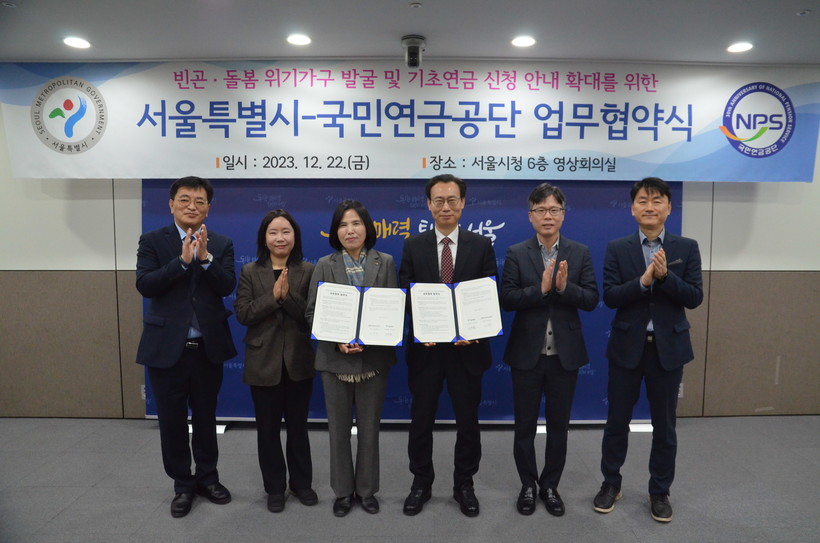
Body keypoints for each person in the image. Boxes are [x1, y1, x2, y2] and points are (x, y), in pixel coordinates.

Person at [593, 177, 703, 523]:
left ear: (669, 207)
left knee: (665, 427)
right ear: (632, 208)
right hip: (627, 348)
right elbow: (611, 296)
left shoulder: (686, 247)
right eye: (643, 201)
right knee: (616, 422)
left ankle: (660, 491)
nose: (650, 207)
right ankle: (611, 483)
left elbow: (694, 297)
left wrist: (666, 277)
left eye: (657, 201)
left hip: (668, 350)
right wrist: (643, 281)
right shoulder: (618, 247)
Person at [136, 176, 236, 518]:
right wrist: (180, 262)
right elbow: (145, 285)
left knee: (206, 418)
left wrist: (205, 259)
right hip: (166, 349)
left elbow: (226, 285)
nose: (192, 206)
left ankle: (208, 478)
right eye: (184, 199)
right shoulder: (152, 241)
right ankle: (182, 484)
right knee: (172, 421)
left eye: (199, 201)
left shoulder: (221, 243)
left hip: (207, 348)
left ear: (208, 207)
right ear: (171, 205)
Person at [399, 174, 498, 518]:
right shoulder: (414, 245)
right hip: (426, 350)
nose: (446, 207)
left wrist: (477, 329)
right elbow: (405, 293)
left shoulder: (481, 245)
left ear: (463, 203)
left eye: (452, 200)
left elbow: (488, 294)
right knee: (421, 420)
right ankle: (420, 483)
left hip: (467, 350)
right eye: (438, 200)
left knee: (468, 422)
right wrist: (421, 325)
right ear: (428, 205)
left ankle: (464, 485)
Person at [500, 183, 599, 516]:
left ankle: (550, 486)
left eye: (554, 210)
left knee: (559, 426)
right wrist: (540, 290)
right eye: (540, 210)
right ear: (530, 216)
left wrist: (564, 287)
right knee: (524, 427)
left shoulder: (579, 252)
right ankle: (528, 485)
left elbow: (591, 299)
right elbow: (507, 299)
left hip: (564, 356)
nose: (547, 216)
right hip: (526, 354)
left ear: (563, 215)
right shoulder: (516, 252)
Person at [305, 200, 398, 517]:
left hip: (374, 361)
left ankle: (367, 491)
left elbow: (391, 309)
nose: (350, 230)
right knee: (338, 431)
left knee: (370, 431)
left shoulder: (385, 262)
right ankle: (343, 492)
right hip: (334, 361)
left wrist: (371, 338)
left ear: (367, 228)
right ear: (336, 231)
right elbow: (312, 313)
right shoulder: (324, 264)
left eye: (356, 223)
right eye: (343, 225)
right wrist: (338, 341)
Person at [234, 209, 318, 513]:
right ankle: (274, 487)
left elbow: (312, 317)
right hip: (262, 361)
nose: (280, 238)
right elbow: (243, 314)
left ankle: (301, 483)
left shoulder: (308, 270)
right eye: (273, 232)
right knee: (267, 430)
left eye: (286, 231)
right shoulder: (250, 271)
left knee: (298, 428)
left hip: (298, 361)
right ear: (264, 238)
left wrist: (286, 297)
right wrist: (273, 297)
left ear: (295, 236)